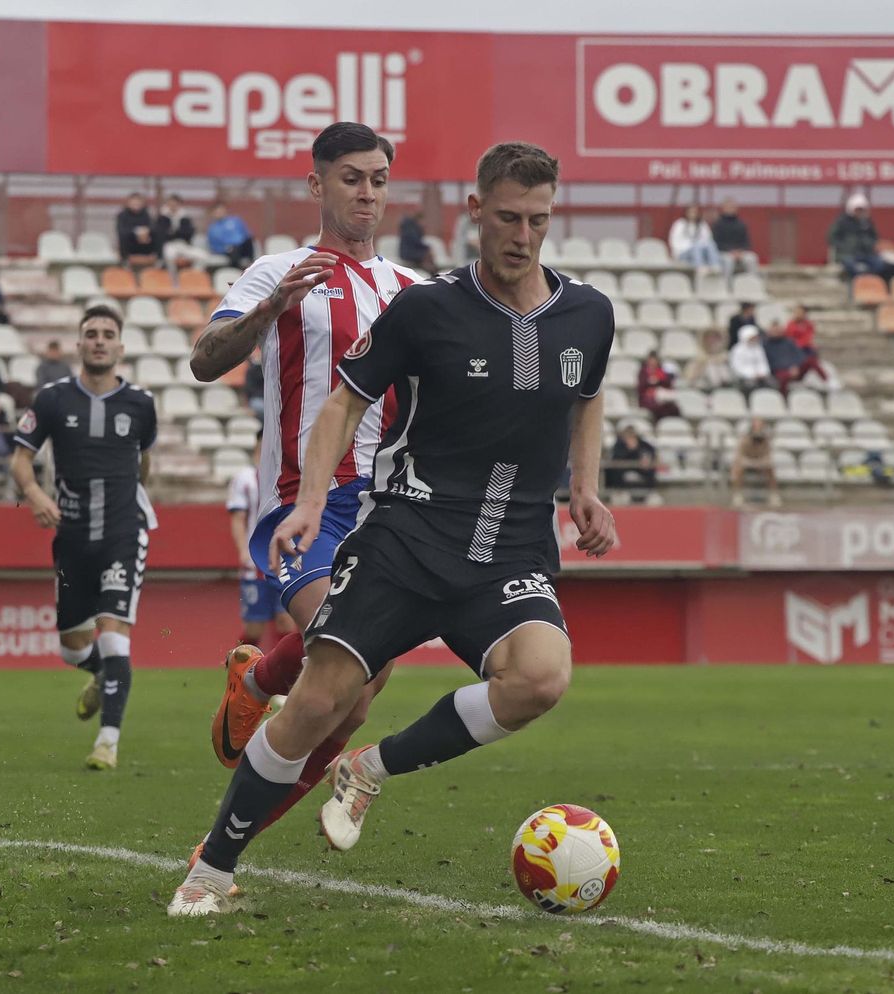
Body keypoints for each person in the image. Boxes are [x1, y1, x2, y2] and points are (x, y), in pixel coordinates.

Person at [168, 141, 618, 916]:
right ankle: (211, 867)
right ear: (475, 212)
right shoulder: (420, 305)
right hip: (404, 532)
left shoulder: (586, 313)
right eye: (508, 217)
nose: (523, 235)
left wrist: (586, 488)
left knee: (542, 677)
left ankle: (365, 770)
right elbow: (334, 398)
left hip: (509, 548)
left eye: (538, 220)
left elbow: (588, 396)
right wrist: (308, 502)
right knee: (325, 699)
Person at [186, 123, 419, 847]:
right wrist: (268, 311)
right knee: (340, 648)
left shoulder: (412, 290)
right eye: (352, 177)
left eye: (378, 178)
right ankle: (219, 844)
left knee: (349, 704)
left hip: (392, 511)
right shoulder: (276, 271)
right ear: (317, 186)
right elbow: (203, 359)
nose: (368, 192)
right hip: (305, 500)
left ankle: (255, 690)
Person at [11, 305, 158, 771]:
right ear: (79, 345)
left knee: (114, 636)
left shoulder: (140, 403)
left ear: (120, 347)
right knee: (72, 648)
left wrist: (131, 499)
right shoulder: (53, 399)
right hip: (71, 536)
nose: (98, 340)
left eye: (107, 334)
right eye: (90, 333)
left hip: (122, 531)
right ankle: (102, 677)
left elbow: (145, 462)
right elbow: (20, 461)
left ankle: (107, 743)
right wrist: (34, 494)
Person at [225, 436, 296, 650]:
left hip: (284, 559)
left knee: (287, 622)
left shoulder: (289, 474)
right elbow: (238, 518)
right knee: (254, 629)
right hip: (256, 561)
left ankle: (282, 676)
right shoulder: (245, 478)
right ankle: (238, 664)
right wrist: (243, 552)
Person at [828, 194, 886, 278]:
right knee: (852, 266)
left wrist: (870, 244)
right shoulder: (842, 222)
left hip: (867, 253)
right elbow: (831, 237)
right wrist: (843, 246)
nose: (859, 212)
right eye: (857, 209)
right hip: (847, 254)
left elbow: (875, 237)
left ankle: (871, 282)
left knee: (879, 264)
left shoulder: (867, 222)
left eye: (861, 209)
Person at [731, 418, 780, 508]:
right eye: (756, 425)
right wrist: (746, 462)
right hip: (747, 461)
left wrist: (762, 462)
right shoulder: (745, 439)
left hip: (760, 461)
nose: (758, 428)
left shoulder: (766, 440)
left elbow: (768, 455)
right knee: (738, 469)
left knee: (770, 469)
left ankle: (774, 495)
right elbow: (739, 456)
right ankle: (737, 495)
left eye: (760, 426)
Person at [604, 424, 658, 504]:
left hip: (643, 486)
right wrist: (630, 450)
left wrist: (645, 463)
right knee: (620, 500)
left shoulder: (645, 447)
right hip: (621, 488)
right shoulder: (618, 447)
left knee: (654, 501)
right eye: (627, 437)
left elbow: (650, 463)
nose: (630, 439)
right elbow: (614, 465)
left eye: (632, 436)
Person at [783, 305, 834, 388]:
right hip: (795, 352)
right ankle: (826, 380)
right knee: (810, 360)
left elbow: (808, 338)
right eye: (796, 312)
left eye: (800, 312)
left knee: (812, 359)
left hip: (805, 350)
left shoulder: (808, 324)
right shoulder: (790, 324)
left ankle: (827, 380)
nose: (797, 314)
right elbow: (790, 340)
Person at [761, 322, 816, 395]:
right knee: (783, 377)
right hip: (779, 371)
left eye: (778, 330)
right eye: (774, 331)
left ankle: (828, 382)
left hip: (795, 369)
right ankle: (783, 397)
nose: (776, 332)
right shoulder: (765, 345)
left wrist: (795, 366)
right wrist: (788, 369)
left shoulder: (789, 342)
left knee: (811, 360)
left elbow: (799, 355)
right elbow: (770, 362)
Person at [155, 194, 207, 269]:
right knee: (168, 257)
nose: (173, 206)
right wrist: (177, 233)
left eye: (175, 204)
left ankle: (193, 276)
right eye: (170, 204)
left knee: (203, 256)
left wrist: (173, 232)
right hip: (169, 245)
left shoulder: (185, 218)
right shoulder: (162, 218)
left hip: (183, 245)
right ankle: (172, 279)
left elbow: (189, 233)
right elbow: (162, 235)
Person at [711, 198, 758, 279]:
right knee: (728, 261)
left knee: (752, 258)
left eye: (732, 207)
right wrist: (730, 251)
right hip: (723, 253)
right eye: (728, 207)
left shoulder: (741, 224)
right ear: (723, 208)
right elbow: (715, 243)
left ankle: (752, 285)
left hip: (740, 253)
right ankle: (726, 287)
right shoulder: (718, 224)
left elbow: (747, 243)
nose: (730, 209)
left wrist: (740, 251)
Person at [668, 204, 720, 273]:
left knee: (711, 244)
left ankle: (715, 266)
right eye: (691, 212)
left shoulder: (702, 224)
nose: (693, 214)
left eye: (695, 212)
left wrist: (700, 246)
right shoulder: (679, 224)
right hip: (683, 253)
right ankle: (700, 268)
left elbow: (708, 239)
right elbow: (673, 241)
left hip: (701, 252)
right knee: (696, 246)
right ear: (686, 213)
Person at [206, 202, 255, 269]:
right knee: (233, 250)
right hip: (228, 250)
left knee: (249, 240)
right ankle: (236, 271)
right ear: (213, 214)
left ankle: (252, 267)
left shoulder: (236, 220)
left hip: (242, 247)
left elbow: (246, 233)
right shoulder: (213, 229)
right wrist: (225, 248)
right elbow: (214, 245)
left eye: (221, 210)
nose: (219, 213)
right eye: (217, 212)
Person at [116, 193, 159, 266]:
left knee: (158, 233)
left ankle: (158, 259)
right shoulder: (122, 215)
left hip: (145, 244)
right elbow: (121, 231)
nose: (136, 204)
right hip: (130, 245)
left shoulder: (146, 214)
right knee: (123, 237)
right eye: (133, 203)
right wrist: (136, 233)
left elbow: (152, 227)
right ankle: (124, 261)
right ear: (128, 203)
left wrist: (146, 232)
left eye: (138, 202)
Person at [636, 350, 680, 418]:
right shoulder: (643, 372)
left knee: (674, 409)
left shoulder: (661, 371)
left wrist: (659, 381)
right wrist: (650, 382)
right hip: (648, 398)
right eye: (651, 360)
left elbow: (668, 384)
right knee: (659, 409)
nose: (653, 362)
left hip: (662, 397)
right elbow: (640, 388)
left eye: (655, 360)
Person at [729, 326, 774, 392]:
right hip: (745, 377)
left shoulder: (758, 348)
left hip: (761, 375)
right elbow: (737, 367)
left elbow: (763, 362)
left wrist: (763, 373)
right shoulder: (737, 350)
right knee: (751, 386)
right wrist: (752, 375)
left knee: (772, 384)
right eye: (752, 337)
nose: (755, 339)